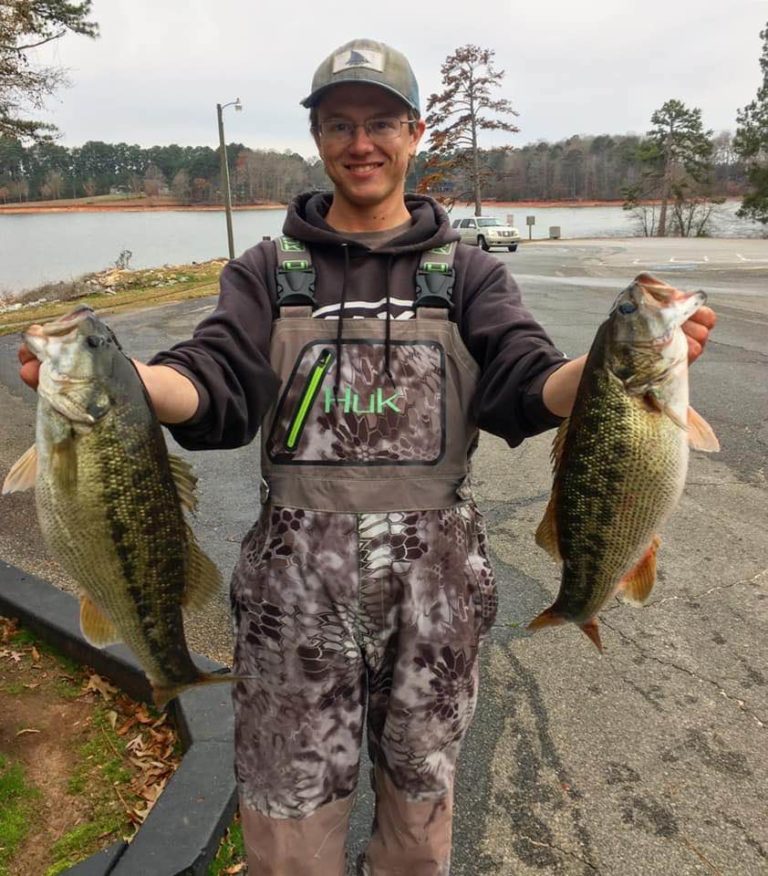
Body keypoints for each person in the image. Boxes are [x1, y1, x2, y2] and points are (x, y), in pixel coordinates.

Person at [18, 38, 716, 876]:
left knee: (419, 799)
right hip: (291, 585)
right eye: (340, 124)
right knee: (289, 803)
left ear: (415, 132)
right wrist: (126, 382)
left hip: (437, 583)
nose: (362, 143)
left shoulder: (468, 274)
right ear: (317, 137)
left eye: (382, 121)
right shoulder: (266, 272)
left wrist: (625, 363)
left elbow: (526, 383)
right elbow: (213, 383)